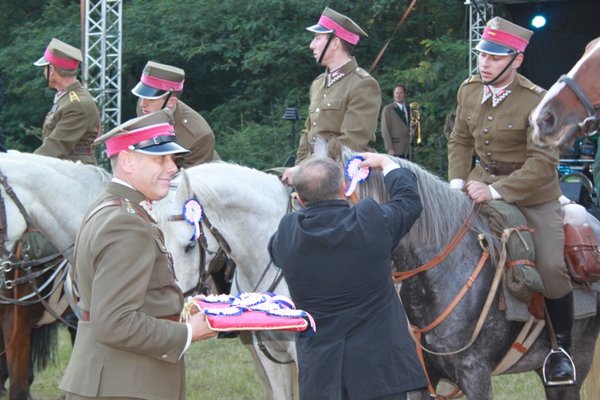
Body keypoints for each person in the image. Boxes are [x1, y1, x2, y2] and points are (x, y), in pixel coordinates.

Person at [447, 17, 575, 386]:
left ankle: (560, 350)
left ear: (516, 59)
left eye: (494, 56)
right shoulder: (469, 89)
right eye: (482, 54)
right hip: (477, 183)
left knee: (551, 265)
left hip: (533, 195)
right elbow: (459, 140)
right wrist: (457, 183)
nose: (484, 63)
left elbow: (543, 163)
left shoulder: (538, 100)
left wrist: (497, 191)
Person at [59, 109, 216, 399]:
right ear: (128, 161)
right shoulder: (125, 221)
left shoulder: (112, 207)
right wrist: (188, 333)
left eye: (172, 159)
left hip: (117, 378)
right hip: (124, 385)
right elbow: (115, 321)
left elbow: (127, 297)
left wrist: (181, 310)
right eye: (161, 158)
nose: (173, 168)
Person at [269, 153, 428, 400]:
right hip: (380, 373)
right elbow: (409, 201)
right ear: (344, 188)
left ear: (299, 199)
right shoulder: (370, 220)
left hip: (321, 377)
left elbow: (276, 249)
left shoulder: (288, 234)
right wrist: (387, 164)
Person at [282, 7, 381, 184]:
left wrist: (305, 170)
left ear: (335, 43)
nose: (311, 45)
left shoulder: (363, 84)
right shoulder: (318, 83)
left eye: (317, 38)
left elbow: (350, 143)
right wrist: (300, 169)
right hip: (312, 172)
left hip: (344, 176)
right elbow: (307, 133)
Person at [132, 60, 220, 168]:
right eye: (142, 96)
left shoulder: (198, 134)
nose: (142, 104)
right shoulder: (145, 107)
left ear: (171, 102)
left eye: (151, 99)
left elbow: (193, 180)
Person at [33, 38, 100, 165]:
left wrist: (26, 164)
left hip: (75, 172)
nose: (43, 73)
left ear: (51, 70)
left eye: (45, 68)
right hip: (67, 167)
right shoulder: (68, 97)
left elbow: (55, 146)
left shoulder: (76, 104)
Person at [380, 84, 413, 158]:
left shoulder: (409, 109)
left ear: (405, 94)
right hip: (395, 149)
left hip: (408, 149)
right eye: (396, 93)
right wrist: (389, 148)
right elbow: (385, 130)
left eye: (400, 93)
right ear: (393, 94)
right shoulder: (388, 109)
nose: (398, 95)